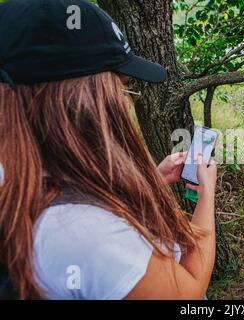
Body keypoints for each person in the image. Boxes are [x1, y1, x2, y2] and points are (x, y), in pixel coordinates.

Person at [0, 0, 217, 300]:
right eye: (122, 87)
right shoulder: (87, 233)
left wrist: (153, 179)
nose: (127, 103)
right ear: (81, 103)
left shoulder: (17, 173)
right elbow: (189, 293)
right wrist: (207, 196)